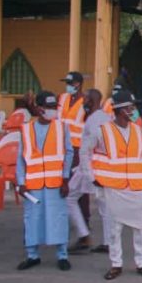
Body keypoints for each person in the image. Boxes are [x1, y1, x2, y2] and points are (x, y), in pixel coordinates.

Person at [87, 90, 142, 280]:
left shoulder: (138, 130)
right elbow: (85, 152)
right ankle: (116, 263)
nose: (133, 111)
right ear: (119, 110)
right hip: (114, 187)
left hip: (136, 186)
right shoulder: (102, 131)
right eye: (130, 108)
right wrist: (91, 175)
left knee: (140, 228)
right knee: (114, 229)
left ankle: (141, 262)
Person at [16, 91, 74, 272]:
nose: (52, 111)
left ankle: (62, 255)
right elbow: (20, 158)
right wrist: (20, 182)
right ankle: (32, 255)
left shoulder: (61, 127)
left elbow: (69, 152)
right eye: (49, 107)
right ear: (39, 109)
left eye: (54, 107)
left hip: (55, 183)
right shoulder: (26, 129)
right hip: (33, 184)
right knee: (32, 219)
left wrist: (65, 179)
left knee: (58, 218)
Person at [67, 89, 107, 252]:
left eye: (85, 100)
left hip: (89, 167)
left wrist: (85, 171)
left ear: (91, 101)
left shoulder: (92, 120)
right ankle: (107, 242)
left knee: (69, 197)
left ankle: (84, 236)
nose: (83, 103)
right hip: (101, 167)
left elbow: (86, 150)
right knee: (104, 206)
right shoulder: (106, 117)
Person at [58, 72, 88, 228]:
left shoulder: (86, 102)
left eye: (70, 83)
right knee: (63, 182)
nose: (67, 86)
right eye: (66, 83)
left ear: (78, 84)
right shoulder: (63, 98)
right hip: (61, 146)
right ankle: (65, 217)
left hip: (78, 147)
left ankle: (85, 219)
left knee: (78, 185)